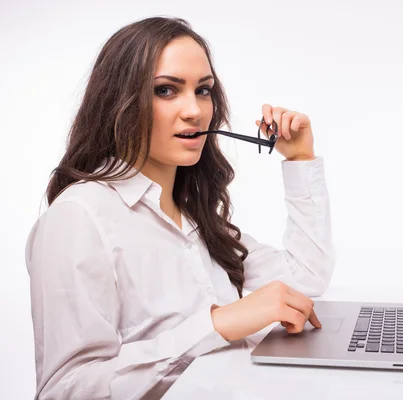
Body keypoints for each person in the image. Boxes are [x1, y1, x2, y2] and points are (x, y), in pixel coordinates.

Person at [25, 16, 335, 399]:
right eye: (167, 90)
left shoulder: (194, 215)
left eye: (203, 90)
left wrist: (300, 158)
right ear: (119, 102)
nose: (194, 110)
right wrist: (217, 325)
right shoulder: (79, 218)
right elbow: (65, 391)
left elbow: (305, 280)